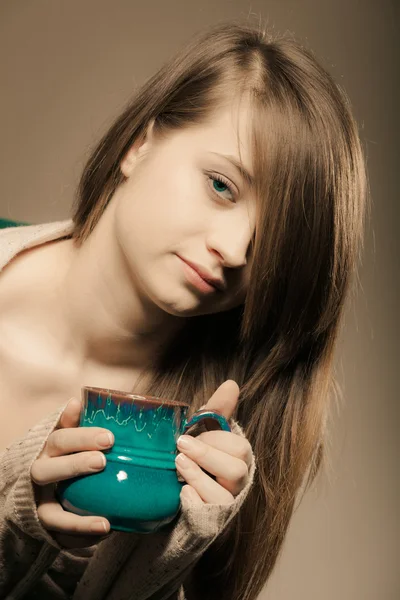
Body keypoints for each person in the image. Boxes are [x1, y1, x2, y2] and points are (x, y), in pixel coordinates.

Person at [0, 20, 367, 600]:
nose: (237, 249)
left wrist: (163, 556)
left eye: (273, 241)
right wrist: (18, 523)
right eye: (222, 185)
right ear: (138, 145)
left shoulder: (216, 446)